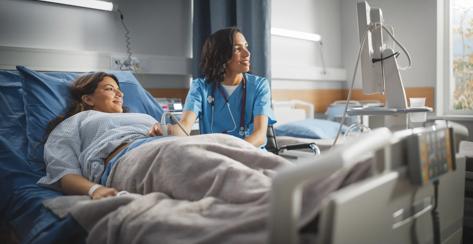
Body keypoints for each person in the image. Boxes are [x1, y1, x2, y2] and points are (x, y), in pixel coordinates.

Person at [38, 72, 290, 200]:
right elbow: (63, 174)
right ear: (87, 98)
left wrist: (163, 133)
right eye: (109, 89)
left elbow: (177, 138)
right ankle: (287, 200)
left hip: (161, 146)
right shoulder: (75, 123)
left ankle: (299, 182)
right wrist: (95, 190)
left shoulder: (143, 118)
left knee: (229, 144)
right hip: (127, 159)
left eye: (120, 90)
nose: (119, 94)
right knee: (211, 166)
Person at [175, 27, 275, 148]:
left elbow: (259, 136)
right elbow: (184, 126)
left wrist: (231, 152)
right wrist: (167, 131)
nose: (247, 53)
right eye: (237, 49)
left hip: (250, 154)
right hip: (214, 156)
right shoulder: (200, 88)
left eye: (246, 46)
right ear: (221, 55)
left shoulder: (259, 86)